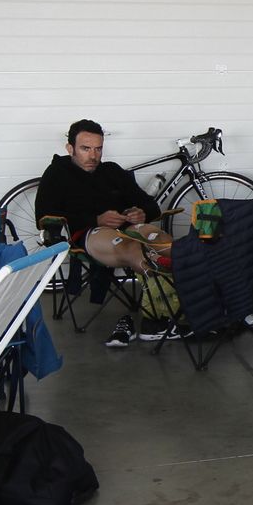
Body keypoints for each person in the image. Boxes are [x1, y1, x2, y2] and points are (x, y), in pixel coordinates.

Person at [35, 119, 170, 348]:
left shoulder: (112, 171)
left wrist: (141, 213)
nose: (93, 155)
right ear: (70, 148)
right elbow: (45, 215)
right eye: (85, 148)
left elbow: (151, 206)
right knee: (133, 248)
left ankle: (187, 304)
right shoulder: (57, 173)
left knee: (161, 240)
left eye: (98, 149)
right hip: (88, 233)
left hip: (127, 227)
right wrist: (95, 219)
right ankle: (161, 317)